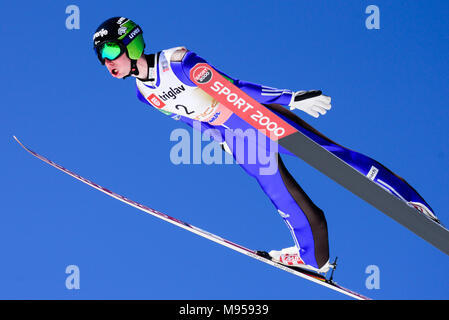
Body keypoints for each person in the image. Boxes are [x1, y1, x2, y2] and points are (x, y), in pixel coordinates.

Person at [93, 17, 438, 274]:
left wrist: (291, 98)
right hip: (233, 135)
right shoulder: (144, 94)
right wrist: (220, 140)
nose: (107, 62)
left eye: (110, 50)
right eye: (101, 57)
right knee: (281, 195)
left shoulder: (178, 62)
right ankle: (312, 257)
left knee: (330, 158)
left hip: (251, 115)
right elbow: (190, 118)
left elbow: (233, 87)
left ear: (131, 44)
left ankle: (410, 202)